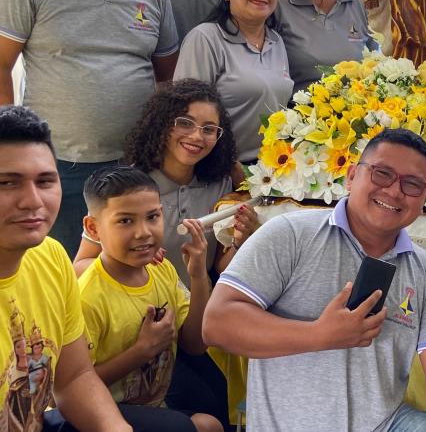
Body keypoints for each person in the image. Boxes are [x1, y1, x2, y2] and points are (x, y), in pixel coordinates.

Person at [202, 129, 426, 431]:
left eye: (411, 185)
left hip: (386, 424)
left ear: (423, 199)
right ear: (352, 175)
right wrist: (319, 335)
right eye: (382, 174)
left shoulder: (423, 269)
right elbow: (216, 323)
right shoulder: (290, 234)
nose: (395, 191)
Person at [0, 0, 180, 257]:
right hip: (57, 164)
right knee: (55, 266)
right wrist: (11, 146)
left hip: (133, 165)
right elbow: (2, 62)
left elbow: (167, 76)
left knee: (121, 270)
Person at [73, 79, 248, 429]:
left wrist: (242, 241)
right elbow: (81, 263)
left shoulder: (221, 183)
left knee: (223, 405)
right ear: (163, 122)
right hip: (133, 324)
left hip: (190, 313)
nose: (197, 136)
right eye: (185, 122)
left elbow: (219, 266)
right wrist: (130, 271)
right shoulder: (131, 188)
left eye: (209, 129)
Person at [0, 105, 176, 432]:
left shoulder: (51, 257)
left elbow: (75, 377)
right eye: (7, 183)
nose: (32, 200)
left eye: (45, 180)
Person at [78, 166, 219, 432]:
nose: (143, 232)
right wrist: (142, 350)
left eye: (152, 217)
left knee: (211, 423)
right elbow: (74, 386)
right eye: (125, 221)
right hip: (98, 416)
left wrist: (199, 276)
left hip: (155, 404)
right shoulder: (88, 297)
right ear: (93, 228)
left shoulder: (161, 268)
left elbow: (195, 345)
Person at [174, 0, 293, 164]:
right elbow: (186, 117)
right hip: (218, 169)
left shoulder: (276, 42)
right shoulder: (206, 39)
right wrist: (229, 168)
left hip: (271, 169)